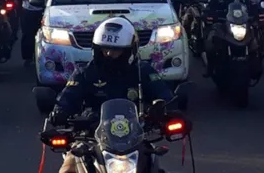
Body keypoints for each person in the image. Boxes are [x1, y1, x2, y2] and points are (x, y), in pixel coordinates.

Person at [50, 17, 173, 173]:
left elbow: (163, 94)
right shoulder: (85, 73)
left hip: (136, 138)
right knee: (67, 169)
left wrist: (164, 109)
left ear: (129, 50)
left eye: (116, 50)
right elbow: (68, 97)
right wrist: (59, 112)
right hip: (91, 138)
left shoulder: (143, 71)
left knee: (155, 167)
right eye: (104, 48)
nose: (108, 53)